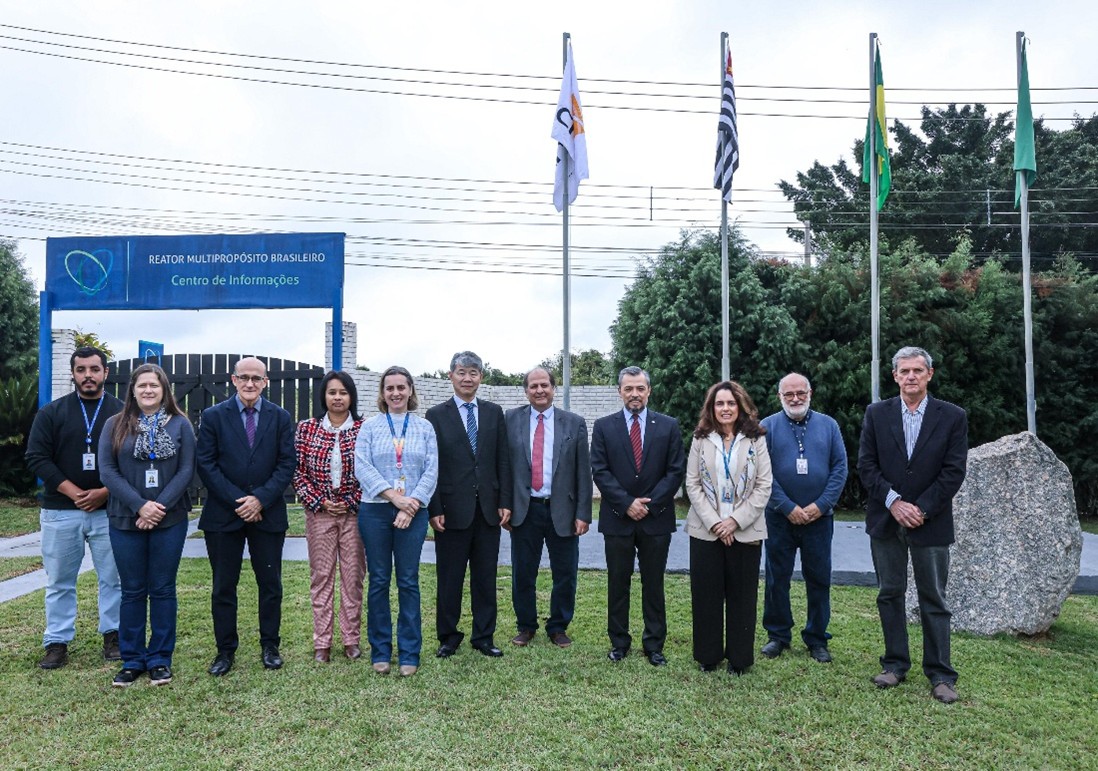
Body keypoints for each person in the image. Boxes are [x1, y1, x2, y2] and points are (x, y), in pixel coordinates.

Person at [858, 346, 968, 704]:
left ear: (929, 375)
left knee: (933, 598)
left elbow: (953, 472)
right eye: (904, 371)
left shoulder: (952, 416)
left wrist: (919, 508)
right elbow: (866, 466)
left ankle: (940, 674)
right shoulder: (876, 414)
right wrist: (894, 503)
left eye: (917, 371)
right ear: (895, 376)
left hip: (929, 522)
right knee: (889, 593)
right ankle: (894, 665)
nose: (910, 377)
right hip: (887, 520)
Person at [98, 364, 196, 686]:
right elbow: (107, 472)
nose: (148, 391)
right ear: (133, 390)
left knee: (164, 588)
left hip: (170, 520)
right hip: (126, 519)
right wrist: (140, 506)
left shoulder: (181, 425)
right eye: (142, 386)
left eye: (154, 385)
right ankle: (132, 660)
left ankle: (159, 659)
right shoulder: (115, 425)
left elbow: (185, 471)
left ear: (164, 389)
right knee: (132, 590)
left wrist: (158, 508)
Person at [25, 345, 123, 670]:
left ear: (106, 372)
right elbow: (36, 457)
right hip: (60, 510)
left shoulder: (122, 412)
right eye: (81, 370)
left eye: (94, 369)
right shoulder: (52, 413)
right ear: (73, 373)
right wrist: (74, 492)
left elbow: (132, 460)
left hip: (109, 510)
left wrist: (105, 492)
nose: (88, 376)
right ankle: (57, 642)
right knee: (59, 580)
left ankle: (114, 636)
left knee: (114, 578)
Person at [197, 357, 296, 676]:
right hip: (224, 515)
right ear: (233, 380)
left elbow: (286, 464)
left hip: (267, 515)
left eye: (257, 378)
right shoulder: (213, 416)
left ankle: (270, 646)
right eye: (244, 378)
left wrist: (261, 499)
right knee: (224, 586)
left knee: (270, 584)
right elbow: (206, 464)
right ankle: (225, 651)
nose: (250, 383)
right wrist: (240, 500)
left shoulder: (280, 417)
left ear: (266, 382)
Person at [591, 366, 685, 666]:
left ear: (649, 391)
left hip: (656, 519)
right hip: (617, 518)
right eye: (629, 389)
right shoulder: (604, 426)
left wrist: (650, 503)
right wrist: (627, 503)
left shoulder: (668, 426)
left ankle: (654, 645)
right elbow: (600, 470)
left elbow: (675, 471)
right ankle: (619, 643)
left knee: (653, 583)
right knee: (618, 582)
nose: (635, 394)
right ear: (620, 391)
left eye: (640, 389)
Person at [426, 351, 512, 659]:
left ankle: (484, 636)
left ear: (481, 377)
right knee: (449, 578)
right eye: (461, 372)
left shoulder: (493, 412)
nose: (467, 378)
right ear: (450, 375)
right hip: (450, 511)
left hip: (488, 509)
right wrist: (433, 508)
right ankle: (448, 636)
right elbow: (431, 465)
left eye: (473, 372)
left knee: (485, 577)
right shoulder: (436, 415)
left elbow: (502, 458)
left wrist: (504, 501)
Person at [684, 381, 772, 675]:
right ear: (711, 408)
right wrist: (715, 523)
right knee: (706, 595)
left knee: (742, 596)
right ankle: (708, 656)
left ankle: (739, 659)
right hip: (706, 530)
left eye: (731, 403)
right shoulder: (700, 438)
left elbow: (764, 484)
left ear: (741, 406)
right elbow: (692, 484)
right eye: (719, 404)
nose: (725, 409)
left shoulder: (756, 438)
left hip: (745, 530)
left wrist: (735, 521)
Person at [355, 366, 438, 676]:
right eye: (389, 388)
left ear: (410, 390)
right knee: (378, 580)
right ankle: (380, 650)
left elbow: (431, 470)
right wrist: (394, 498)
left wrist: (410, 505)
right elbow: (362, 468)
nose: (395, 393)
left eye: (401, 387)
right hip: (375, 510)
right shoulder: (370, 427)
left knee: (407, 581)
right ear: (382, 393)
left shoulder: (425, 428)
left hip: (414, 513)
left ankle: (409, 652)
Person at [760, 373, 848, 664]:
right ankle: (778, 635)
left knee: (819, 578)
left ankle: (816, 638)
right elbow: (762, 473)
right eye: (789, 394)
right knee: (776, 579)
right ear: (779, 397)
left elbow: (839, 468)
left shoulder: (829, 425)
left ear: (810, 392)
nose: (795, 399)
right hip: (778, 517)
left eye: (800, 393)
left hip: (819, 519)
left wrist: (820, 505)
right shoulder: (767, 427)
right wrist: (786, 506)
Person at [504, 367, 592, 649]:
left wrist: (583, 513)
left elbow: (583, 472)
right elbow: (504, 467)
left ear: (553, 388)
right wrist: (504, 505)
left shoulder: (574, 423)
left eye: (545, 385)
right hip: (525, 509)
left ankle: (558, 626)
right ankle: (526, 626)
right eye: (533, 386)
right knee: (523, 572)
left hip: (562, 510)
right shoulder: (511, 420)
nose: (539, 390)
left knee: (565, 573)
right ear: (526, 390)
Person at [292, 371, 366, 664]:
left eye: (343, 393)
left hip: (354, 515)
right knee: (321, 577)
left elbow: (372, 472)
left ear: (351, 397)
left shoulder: (363, 429)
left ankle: (351, 640)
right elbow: (297, 472)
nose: (338, 397)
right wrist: (319, 501)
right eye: (332, 392)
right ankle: (322, 642)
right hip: (319, 513)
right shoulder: (307, 429)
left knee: (352, 578)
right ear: (324, 396)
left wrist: (349, 502)